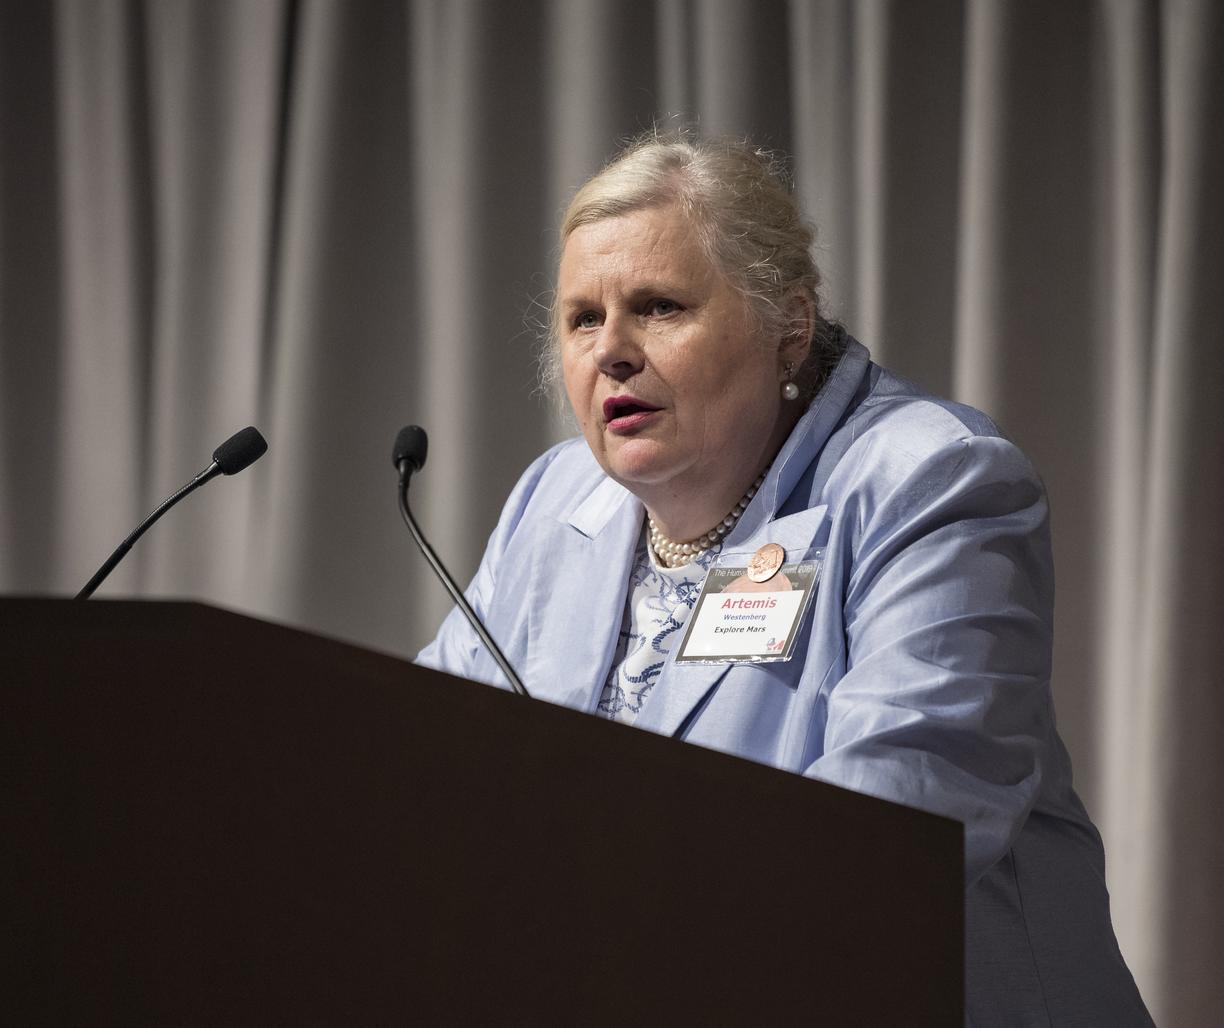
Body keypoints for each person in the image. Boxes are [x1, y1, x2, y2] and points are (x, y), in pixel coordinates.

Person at [416, 134, 1152, 1024]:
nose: (611, 350)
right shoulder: (554, 501)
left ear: (788, 328)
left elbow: (894, 827)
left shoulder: (929, 483)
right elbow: (426, 763)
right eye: (582, 318)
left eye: (658, 306)